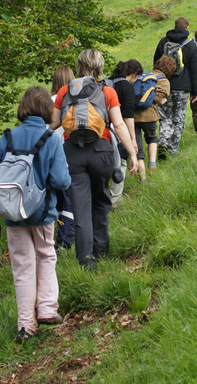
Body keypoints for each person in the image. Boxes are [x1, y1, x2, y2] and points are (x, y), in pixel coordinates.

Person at [0, 86, 71, 344]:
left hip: (13, 213)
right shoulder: (51, 138)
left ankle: (25, 325)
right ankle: (46, 309)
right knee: (46, 255)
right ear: (46, 109)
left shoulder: (8, 136)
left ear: (23, 107)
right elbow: (60, 180)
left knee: (22, 265)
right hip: (43, 213)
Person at [52, 49, 138, 269]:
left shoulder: (64, 91)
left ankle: (86, 261)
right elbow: (118, 125)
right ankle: (102, 252)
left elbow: (53, 124)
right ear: (99, 68)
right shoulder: (107, 91)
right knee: (101, 202)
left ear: (79, 66)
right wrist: (133, 155)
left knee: (80, 209)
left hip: (73, 154)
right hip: (101, 152)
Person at [153, 16, 197, 156]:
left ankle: (164, 141)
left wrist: (158, 82)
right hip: (183, 87)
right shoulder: (190, 44)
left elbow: (156, 63)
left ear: (174, 26)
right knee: (179, 118)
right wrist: (195, 91)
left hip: (165, 86)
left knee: (165, 116)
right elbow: (194, 70)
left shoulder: (164, 42)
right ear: (187, 28)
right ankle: (173, 150)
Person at [108, 59, 143, 208]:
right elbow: (128, 115)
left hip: (101, 129)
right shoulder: (126, 87)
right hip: (118, 130)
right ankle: (115, 202)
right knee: (120, 163)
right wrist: (132, 139)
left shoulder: (107, 82)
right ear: (133, 75)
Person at [134, 55, 175, 170]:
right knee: (152, 138)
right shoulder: (163, 81)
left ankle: (141, 175)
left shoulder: (144, 76)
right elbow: (157, 98)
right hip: (149, 115)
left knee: (137, 145)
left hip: (133, 115)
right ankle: (152, 164)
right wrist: (163, 100)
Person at [51, 66, 75, 251]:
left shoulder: (47, 102)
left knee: (54, 199)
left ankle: (50, 239)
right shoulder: (72, 98)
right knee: (68, 200)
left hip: (48, 156)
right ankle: (65, 240)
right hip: (66, 151)